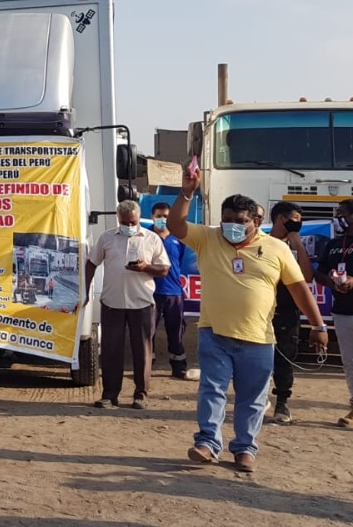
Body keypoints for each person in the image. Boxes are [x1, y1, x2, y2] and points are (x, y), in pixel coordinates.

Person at [169, 169, 327, 473]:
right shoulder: (208, 238)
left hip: (258, 339)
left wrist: (318, 326)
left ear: (256, 221)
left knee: (253, 398)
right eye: (228, 219)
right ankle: (207, 444)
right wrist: (187, 192)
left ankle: (244, 449)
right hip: (214, 333)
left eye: (241, 221)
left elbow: (298, 289)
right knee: (212, 389)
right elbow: (176, 225)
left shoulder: (277, 248)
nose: (233, 226)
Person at [84, 200, 170, 409]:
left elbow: (164, 269)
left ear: (138, 218)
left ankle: (141, 394)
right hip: (112, 303)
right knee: (112, 350)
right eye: (125, 222)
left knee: (142, 351)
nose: (129, 226)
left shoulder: (151, 239)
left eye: (132, 222)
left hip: (142, 303)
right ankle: (110, 394)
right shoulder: (107, 238)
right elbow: (91, 264)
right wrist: (85, 292)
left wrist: (145, 268)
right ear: (118, 219)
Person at [266, 201, 314, 425]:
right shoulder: (262, 242)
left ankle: (282, 403)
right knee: (256, 358)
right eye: (294, 219)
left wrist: (298, 247)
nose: (298, 223)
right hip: (260, 310)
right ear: (280, 219)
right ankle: (257, 400)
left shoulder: (296, 246)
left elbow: (307, 278)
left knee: (284, 358)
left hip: (287, 312)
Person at [314, 199, 353, 427]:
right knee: (349, 362)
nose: (338, 217)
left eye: (342, 213)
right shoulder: (333, 244)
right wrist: (331, 282)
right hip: (342, 311)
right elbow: (318, 273)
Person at [149, 202, 189, 379]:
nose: (162, 219)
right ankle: (147, 363)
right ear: (152, 217)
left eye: (166, 216)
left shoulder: (178, 237)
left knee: (175, 331)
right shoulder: (146, 235)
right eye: (159, 216)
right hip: (150, 291)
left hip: (174, 292)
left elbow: (178, 260)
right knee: (148, 330)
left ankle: (178, 365)